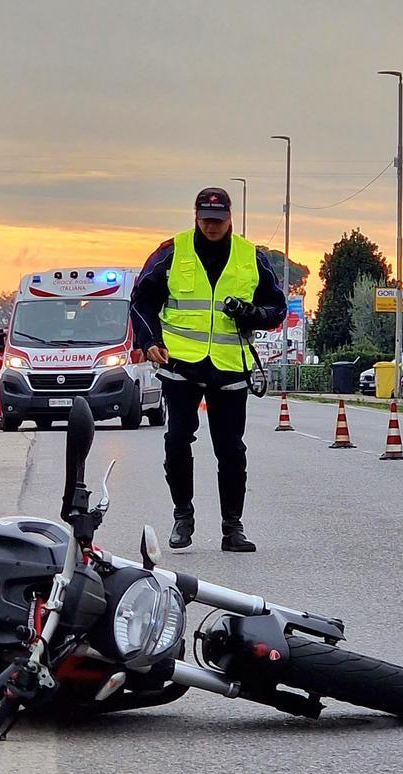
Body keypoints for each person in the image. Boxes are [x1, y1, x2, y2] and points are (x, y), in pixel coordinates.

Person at [131, 187, 287, 552]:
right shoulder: (172, 250)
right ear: (195, 217)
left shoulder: (251, 256)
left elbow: (276, 308)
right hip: (181, 363)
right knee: (177, 438)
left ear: (230, 217)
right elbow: (142, 298)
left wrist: (253, 314)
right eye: (205, 220)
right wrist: (149, 339)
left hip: (230, 366)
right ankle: (183, 516)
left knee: (230, 449)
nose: (212, 227)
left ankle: (232, 528)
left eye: (218, 220)